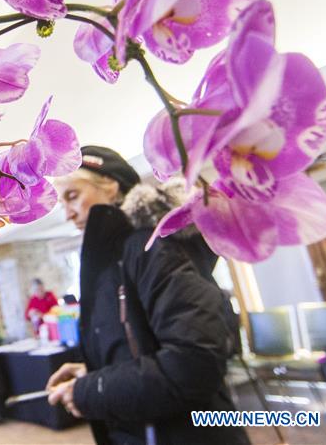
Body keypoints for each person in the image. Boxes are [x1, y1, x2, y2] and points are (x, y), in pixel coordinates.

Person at [47, 145, 249, 445]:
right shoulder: (116, 260)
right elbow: (142, 346)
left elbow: (193, 362)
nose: (67, 214)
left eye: (73, 196)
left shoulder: (152, 248)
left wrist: (92, 389)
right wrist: (94, 371)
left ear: (111, 187)